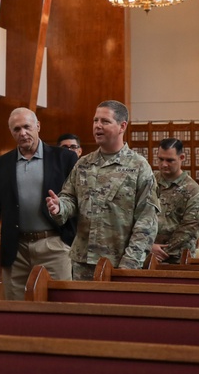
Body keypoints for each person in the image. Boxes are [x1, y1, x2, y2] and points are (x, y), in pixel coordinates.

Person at [46, 100, 158, 279]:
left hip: (120, 263)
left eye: (105, 121)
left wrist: (130, 264)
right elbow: (70, 198)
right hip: (82, 262)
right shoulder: (83, 163)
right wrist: (60, 207)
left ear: (122, 126)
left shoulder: (138, 167)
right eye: (95, 120)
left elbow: (146, 221)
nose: (97, 126)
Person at [0, 108, 79, 300]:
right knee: (16, 307)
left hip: (55, 243)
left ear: (37, 126)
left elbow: (80, 201)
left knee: (61, 303)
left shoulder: (65, 158)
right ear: (11, 132)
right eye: (16, 129)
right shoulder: (1, 164)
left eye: (27, 127)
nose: (22, 133)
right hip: (16, 248)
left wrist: (69, 239)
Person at [151, 138, 199, 264]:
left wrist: (161, 250)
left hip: (176, 259)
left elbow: (189, 229)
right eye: (160, 159)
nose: (164, 164)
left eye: (170, 160)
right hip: (146, 254)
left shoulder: (193, 191)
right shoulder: (149, 182)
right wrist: (147, 246)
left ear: (182, 158)